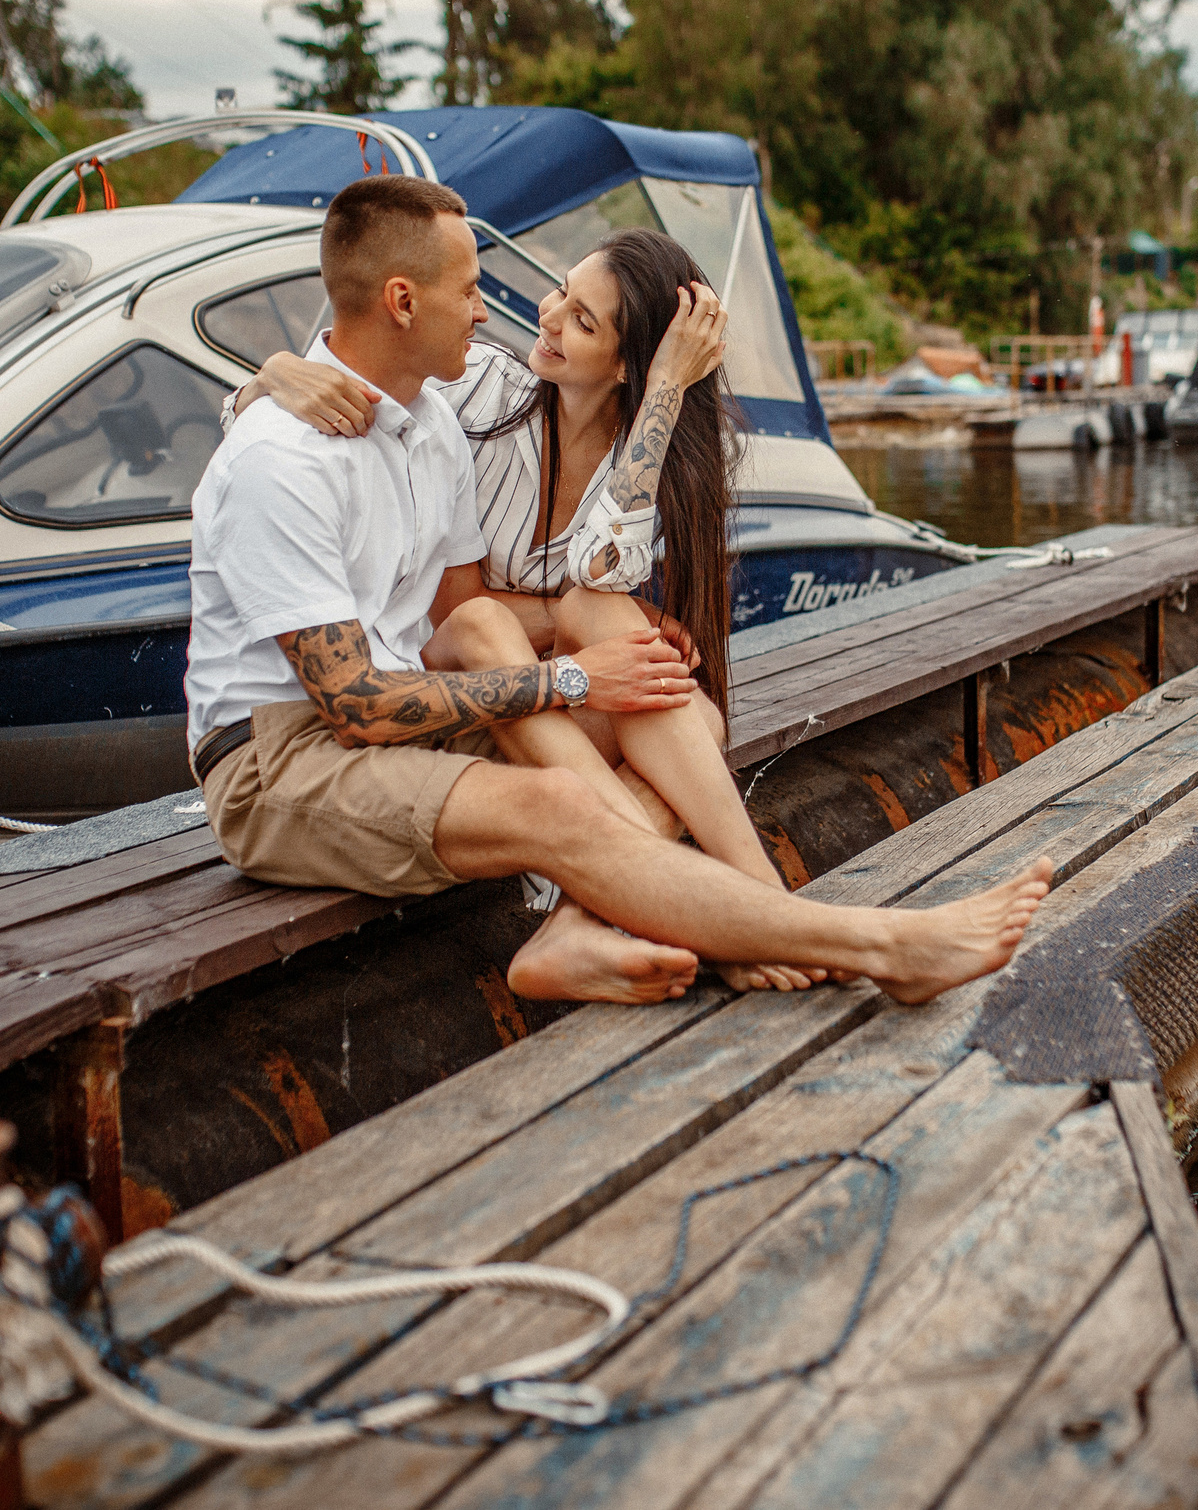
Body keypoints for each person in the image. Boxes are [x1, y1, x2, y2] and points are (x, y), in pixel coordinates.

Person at [185, 173, 1048, 1006]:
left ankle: (597, 925)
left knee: (680, 715)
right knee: (556, 791)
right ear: (405, 302)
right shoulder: (287, 457)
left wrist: (586, 651)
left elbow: (476, 610)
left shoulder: (432, 426)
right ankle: (869, 943)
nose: (492, 311)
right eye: (473, 289)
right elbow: (357, 705)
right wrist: (571, 676)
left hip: (419, 704)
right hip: (278, 758)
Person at [234, 224, 819, 990]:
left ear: (628, 366)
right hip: (451, 683)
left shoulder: (652, 458)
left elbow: (600, 569)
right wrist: (272, 374)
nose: (548, 316)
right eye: (561, 293)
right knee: (527, 619)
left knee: (682, 701)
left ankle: (592, 921)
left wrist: (665, 391)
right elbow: (455, 605)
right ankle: (746, 908)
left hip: (546, 712)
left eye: (582, 320)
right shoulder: (478, 384)